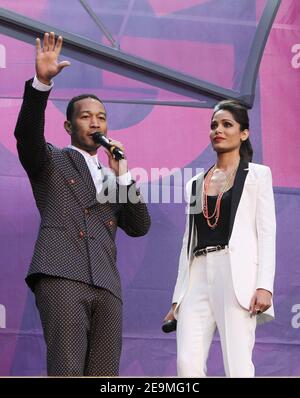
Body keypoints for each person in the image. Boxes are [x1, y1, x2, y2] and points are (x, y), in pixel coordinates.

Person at [14, 32, 151, 376]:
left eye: (101, 117)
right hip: (62, 274)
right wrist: (41, 84)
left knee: (105, 375)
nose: (95, 122)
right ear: (68, 125)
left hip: (106, 282)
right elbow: (27, 135)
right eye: (86, 116)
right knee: (67, 368)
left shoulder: (112, 176)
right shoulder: (51, 159)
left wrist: (123, 175)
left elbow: (139, 225)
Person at [164, 99, 276, 377]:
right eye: (214, 125)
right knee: (186, 365)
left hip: (236, 274)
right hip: (197, 275)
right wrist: (178, 296)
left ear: (244, 133)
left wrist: (264, 286)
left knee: (237, 365)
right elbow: (187, 243)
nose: (218, 130)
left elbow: (267, 233)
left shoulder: (258, 175)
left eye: (227, 124)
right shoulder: (195, 183)